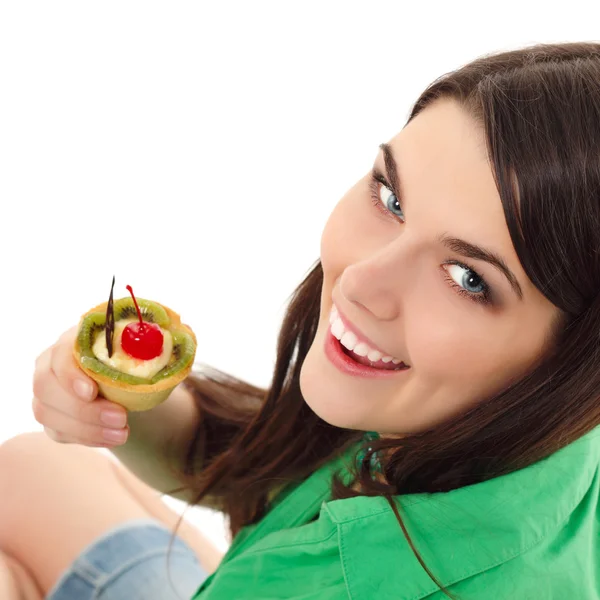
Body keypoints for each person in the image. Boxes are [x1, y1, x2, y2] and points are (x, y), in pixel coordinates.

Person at [2, 40, 600, 599]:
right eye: (392, 197)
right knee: (29, 468)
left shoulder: (327, 581)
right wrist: (130, 402)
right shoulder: (550, 440)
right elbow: (274, 475)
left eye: (469, 278)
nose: (362, 281)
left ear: (574, 361)